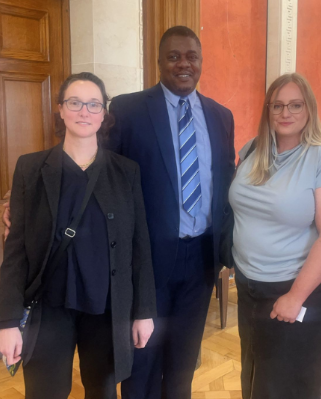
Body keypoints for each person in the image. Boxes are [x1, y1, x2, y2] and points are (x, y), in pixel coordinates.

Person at [0, 72, 156, 399]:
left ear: (104, 113)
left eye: (94, 104)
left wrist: (143, 311)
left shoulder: (126, 172)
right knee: (45, 393)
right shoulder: (31, 169)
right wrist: (8, 321)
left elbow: (139, 248)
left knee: (103, 392)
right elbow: (16, 252)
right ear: (61, 110)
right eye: (75, 102)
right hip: (49, 306)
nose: (85, 111)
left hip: (106, 308)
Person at [108, 26, 235, 399]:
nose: (184, 64)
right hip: (146, 260)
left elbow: (225, 182)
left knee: (183, 362)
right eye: (174, 56)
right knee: (142, 361)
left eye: (191, 56)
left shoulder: (220, 115)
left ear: (200, 61)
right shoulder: (128, 109)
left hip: (202, 258)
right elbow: (103, 173)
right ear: (159, 62)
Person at [228, 73, 321, 398]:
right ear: (267, 110)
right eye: (277, 105)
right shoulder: (252, 149)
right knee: (256, 379)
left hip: (299, 290)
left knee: (296, 386)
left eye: (295, 105)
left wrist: (295, 297)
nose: (285, 112)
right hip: (250, 286)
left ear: (309, 109)